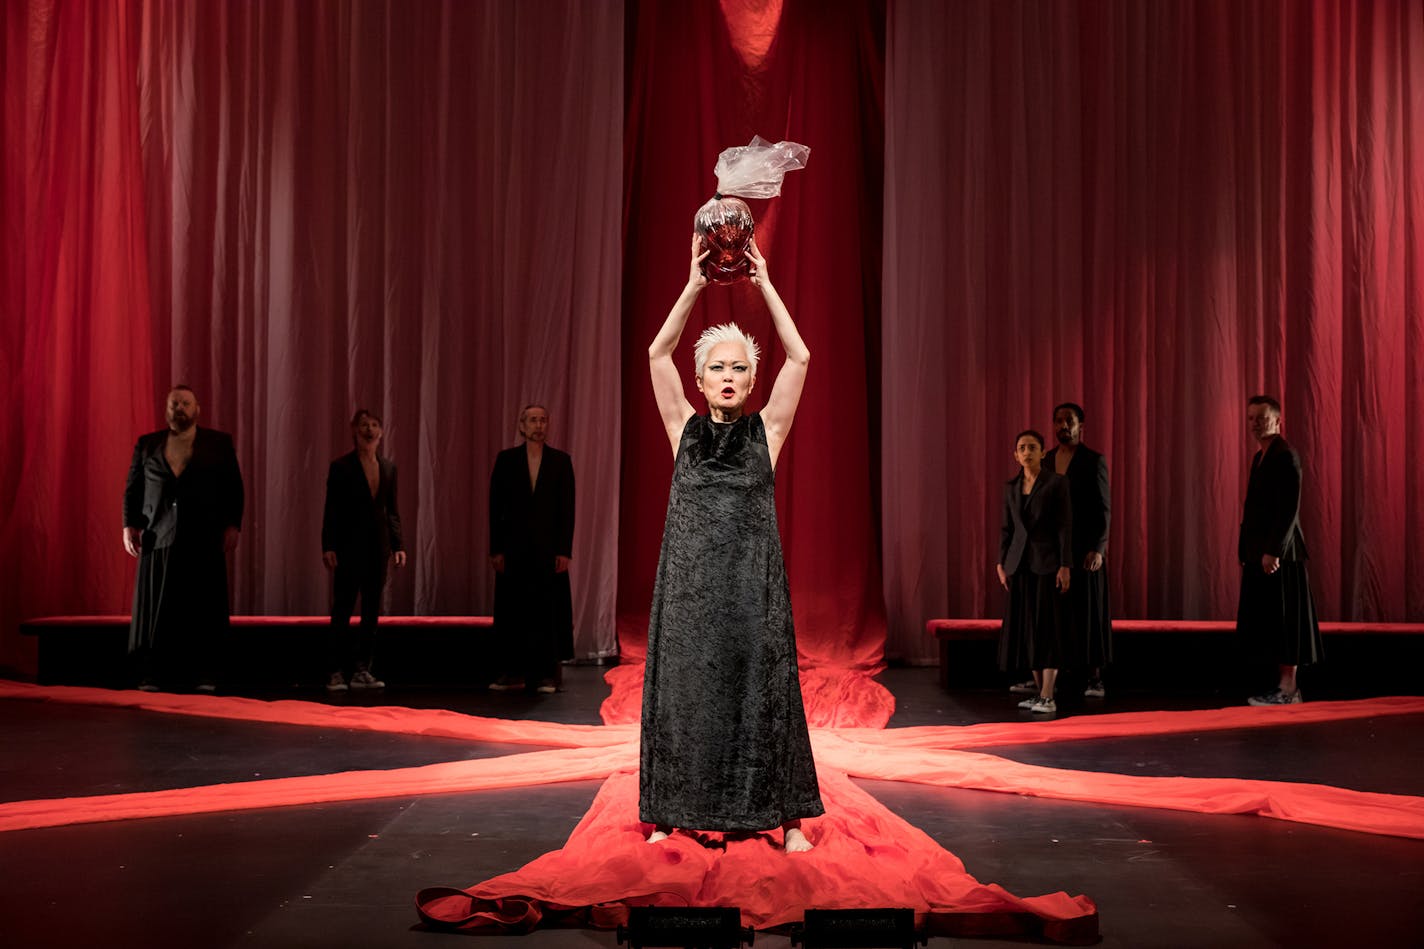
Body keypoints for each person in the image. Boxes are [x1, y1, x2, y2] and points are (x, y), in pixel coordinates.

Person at [639, 235, 822, 852]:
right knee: (684, 699)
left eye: (738, 367)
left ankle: (786, 820)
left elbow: (798, 357)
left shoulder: (766, 432)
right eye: (715, 366)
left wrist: (762, 283)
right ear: (699, 378)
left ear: (750, 380)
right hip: (690, 595)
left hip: (751, 592)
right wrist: (695, 284)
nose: (726, 375)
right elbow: (655, 352)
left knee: (764, 693)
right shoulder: (681, 430)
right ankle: (668, 814)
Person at [123, 385, 243, 692]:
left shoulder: (218, 443)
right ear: (166, 409)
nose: (180, 408)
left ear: (197, 409)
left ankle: (205, 673)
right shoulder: (147, 444)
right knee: (158, 610)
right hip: (158, 535)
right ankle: (153, 673)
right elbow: (133, 489)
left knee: (202, 608)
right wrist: (129, 526)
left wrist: (233, 525)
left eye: (186, 403)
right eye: (174, 403)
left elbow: (233, 487)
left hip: (203, 536)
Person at [1237, 395, 1322, 705]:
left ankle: (1289, 689)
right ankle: (1281, 686)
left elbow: (1288, 509)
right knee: (1271, 620)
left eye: (1261, 417)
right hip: (1261, 554)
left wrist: (1274, 550)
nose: (1255, 423)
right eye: (1250, 418)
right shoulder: (1260, 457)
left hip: (1281, 555)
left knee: (1286, 619)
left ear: (1277, 420)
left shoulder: (1286, 455)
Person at [487, 404, 575, 694]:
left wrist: (564, 550)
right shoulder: (506, 460)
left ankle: (546, 675)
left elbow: (567, 510)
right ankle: (511, 673)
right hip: (513, 549)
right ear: (522, 426)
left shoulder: (560, 461)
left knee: (546, 611)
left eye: (542, 420)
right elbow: (495, 508)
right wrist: (496, 549)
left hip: (548, 550)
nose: (538, 424)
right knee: (513, 610)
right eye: (532, 420)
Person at [321, 409, 406, 691]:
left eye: (374, 425)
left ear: (381, 432)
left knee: (371, 611)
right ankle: (334, 670)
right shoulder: (341, 467)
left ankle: (362, 669)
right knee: (343, 608)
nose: (369, 430)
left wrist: (398, 545)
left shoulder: (389, 467)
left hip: (378, 548)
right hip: (348, 548)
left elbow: (391, 511)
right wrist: (329, 545)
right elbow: (331, 509)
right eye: (363, 425)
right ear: (354, 431)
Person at [997, 430, 1072, 714]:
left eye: (1033, 447)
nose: (1027, 452)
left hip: (1048, 563)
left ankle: (1048, 695)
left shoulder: (1056, 483)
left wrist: (1065, 565)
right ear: (1015, 455)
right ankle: (1039, 693)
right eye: (1022, 448)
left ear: (1043, 453)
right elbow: (1007, 528)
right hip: (1019, 565)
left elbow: (1065, 527)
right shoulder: (1011, 486)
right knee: (1027, 628)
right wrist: (1001, 563)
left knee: (1047, 627)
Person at [1040, 402, 1112, 699]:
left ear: (1081, 425)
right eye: (1058, 421)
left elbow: (1104, 509)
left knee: (1089, 611)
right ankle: (1052, 677)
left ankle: (1094, 677)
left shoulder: (1093, 461)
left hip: (1085, 550)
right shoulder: (1045, 461)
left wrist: (1099, 548)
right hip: (1054, 552)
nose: (1062, 426)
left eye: (1068, 421)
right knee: (1054, 613)